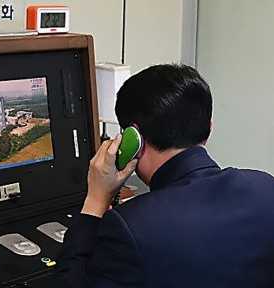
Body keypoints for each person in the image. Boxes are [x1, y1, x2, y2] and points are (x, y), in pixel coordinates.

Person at [57, 64, 274, 287]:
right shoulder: (266, 188)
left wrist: (95, 200)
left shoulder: (130, 227)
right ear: (208, 129)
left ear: (133, 139)